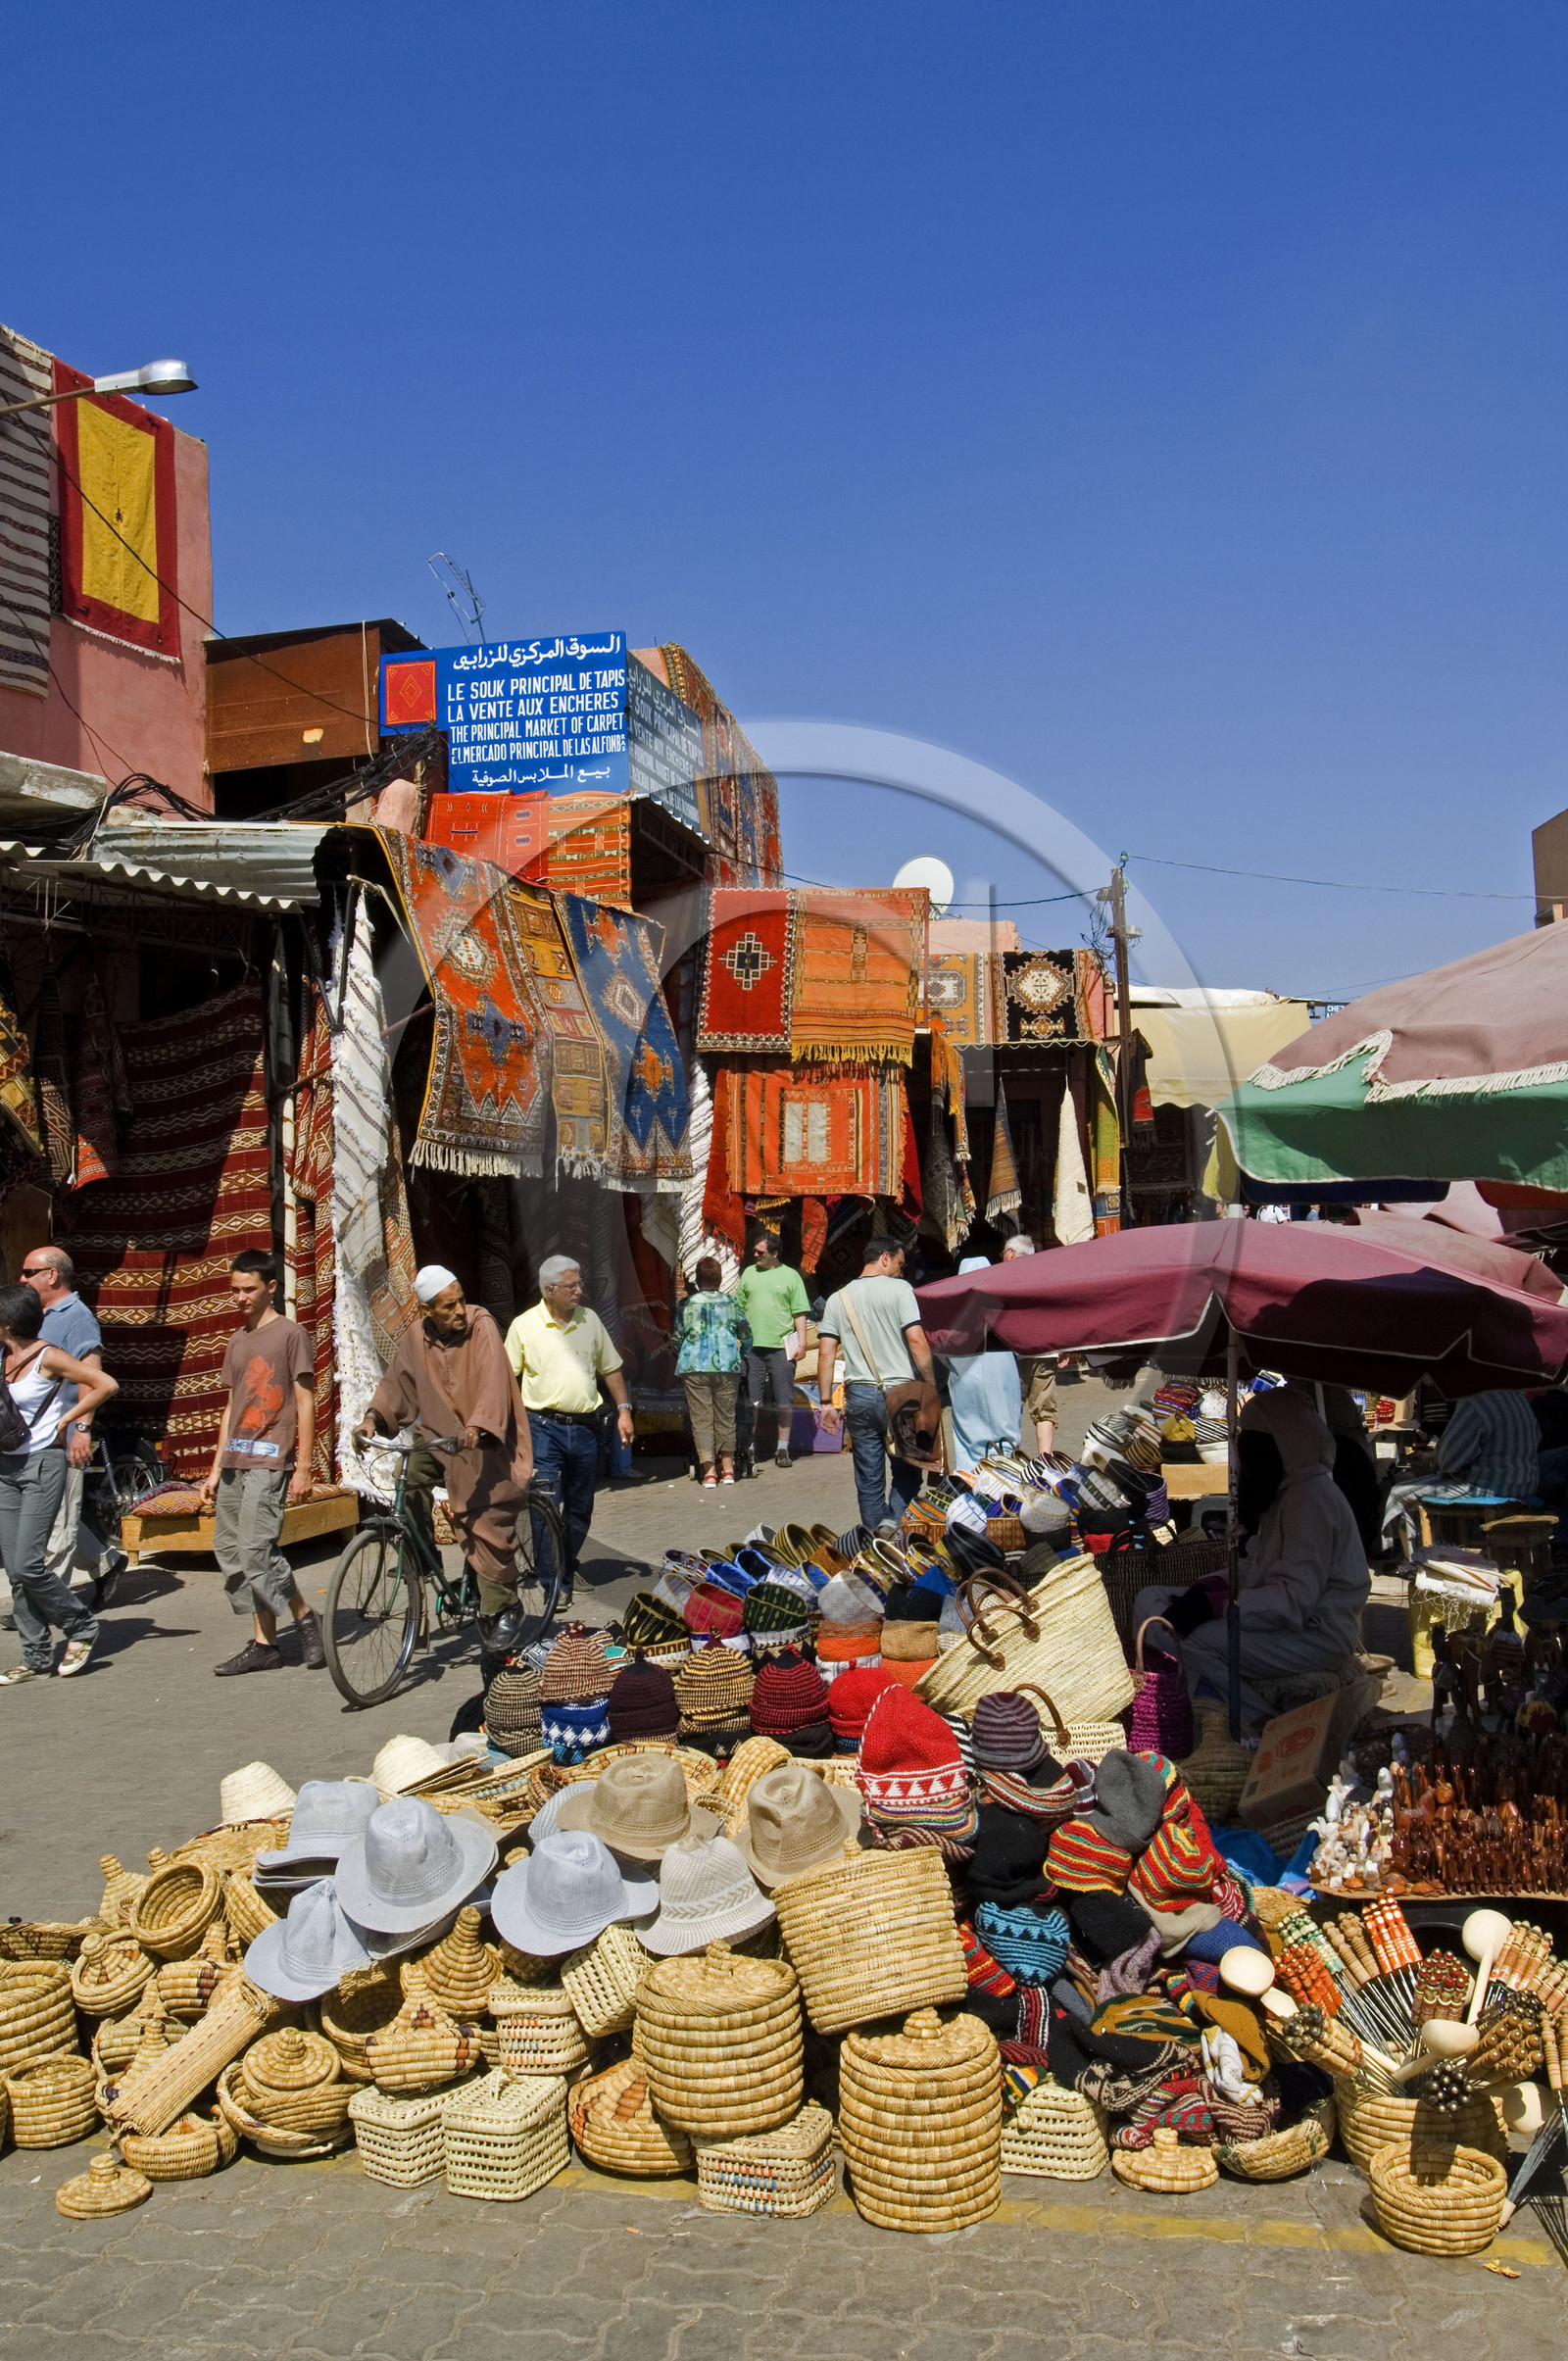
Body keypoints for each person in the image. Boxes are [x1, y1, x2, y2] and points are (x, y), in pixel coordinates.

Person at [1131, 1387, 1371, 1726]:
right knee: (1149, 1601)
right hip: (1276, 1618)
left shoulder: (1311, 1500)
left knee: (1182, 1638)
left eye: (1254, 1453)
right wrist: (1210, 1586)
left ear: (1281, 1449)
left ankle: (1257, 1716)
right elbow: (1255, 1566)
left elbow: (1293, 1603)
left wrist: (1219, 1607)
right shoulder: (1286, 1494)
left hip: (1317, 1635)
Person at [358, 1265, 534, 1659]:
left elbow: (493, 1382)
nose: (459, 1310)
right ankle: (422, 1563)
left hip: (486, 1441)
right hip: (439, 1439)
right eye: (448, 1305)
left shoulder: (481, 1324)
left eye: (460, 1300)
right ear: (428, 1312)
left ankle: (502, 1606)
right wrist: (372, 1420)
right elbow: (395, 1385)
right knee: (409, 1484)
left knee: (482, 1516)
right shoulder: (416, 1339)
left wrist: (476, 1428)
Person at [202, 1250, 324, 1678]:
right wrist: (216, 1468)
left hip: (271, 1458)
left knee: (257, 1550)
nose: (240, 1297)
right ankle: (264, 1644)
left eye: (248, 1289)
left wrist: (304, 1465)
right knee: (230, 1551)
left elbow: (306, 1401)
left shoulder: (291, 1335)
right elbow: (232, 1405)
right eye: (234, 1290)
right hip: (236, 1458)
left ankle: (305, 1615)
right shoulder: (237, 1341)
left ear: (271, 1287)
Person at [0, 1280, 119, 1683]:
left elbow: (105, 1384)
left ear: (7, 1321)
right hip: (6, 1468)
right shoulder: (1, 1356)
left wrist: (70, 1421)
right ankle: (34, 1657)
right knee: (15, 1570)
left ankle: (80, 1625)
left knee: (29, 1563)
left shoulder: (48, 1357)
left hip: (42, 1465)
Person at [504, 1255, 630, 1606]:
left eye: (579, 1283)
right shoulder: (524, 1326)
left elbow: (612, 1369)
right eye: (572, 1286)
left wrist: (624, 1410)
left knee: (580, 1508)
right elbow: (505, 1379)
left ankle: (565, 1564)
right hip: (543, 1428)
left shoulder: (590, 1320)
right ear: (549, 1290)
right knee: (544, 1506)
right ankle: (554, 1582)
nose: (579, 1290)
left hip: (587, 1429)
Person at [20, 1248, 125, 1611]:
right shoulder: (35, 1314)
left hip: (60, 1437)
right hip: (26, 1438)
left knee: (59, 1524)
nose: (22, 1278)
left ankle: (45, 1608)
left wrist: (83, 1430)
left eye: (29, 1271)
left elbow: (91, 1376)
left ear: (52, 1276)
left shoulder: (77, 1318)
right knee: (41, 1520)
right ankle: (106, 1563)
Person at [816, 1237, 939, 1535]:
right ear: (885, 1258)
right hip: (903, 1395)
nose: (901, 1270)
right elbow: (916, 1340)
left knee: (868, 1477)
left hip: (859, 1395)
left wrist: (825, 1402)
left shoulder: (837, 1299)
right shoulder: (901, 1290)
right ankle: (893, 1521)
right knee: (908, 1469)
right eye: (900, 1263)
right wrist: (930, 1384)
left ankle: (875, 1540)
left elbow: (825, 1354)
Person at [673, 1257, 752, 1487]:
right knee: (727, 1417)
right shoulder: (732, 1303)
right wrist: (743, 1353)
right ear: (719, 1279)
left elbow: (678, 1337)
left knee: (702, 1419)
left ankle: (709, 1473)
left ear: (697, 1280)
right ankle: (728, 1471)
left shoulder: (685, 1305)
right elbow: (746, 1334)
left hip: (694, 1366)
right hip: (727, 1366)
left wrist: (683, 1352)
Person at [734, 1234, 809, 1471]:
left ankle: (782, 1448)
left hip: (781, 1349)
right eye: (755, 1251)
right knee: (751, 1402)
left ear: (775, 1254)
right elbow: (738, 1308)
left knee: (784, 1400)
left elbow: (799, 1313)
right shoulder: (748, 1273)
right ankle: (749, 1449)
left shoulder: (791, 1276)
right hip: (751, 1348)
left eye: (761, 1252)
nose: (755, 1255)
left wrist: (802, 1344)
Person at [945, 1254, 1023, 1471]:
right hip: (1001, 1373)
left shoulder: (952, 1312)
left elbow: (942, 1348)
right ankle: (1007, 1474)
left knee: (969, 1433)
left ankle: (973, 1480)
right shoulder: (999, 1306)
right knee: (1004, 1426)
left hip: (964, 1377)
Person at [1001, 1233, 1057, 1454]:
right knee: (1044, 1409)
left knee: (1011, 1407)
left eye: (1003, 1253)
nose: (1002, 1257)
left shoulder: (1005, 1277)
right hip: (1046, 1350)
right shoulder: (1047, 1275)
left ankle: (1009, 1457)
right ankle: (1045, 1458)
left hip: (1016, 1352)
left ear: (1012, 1253)